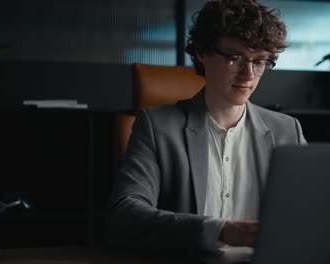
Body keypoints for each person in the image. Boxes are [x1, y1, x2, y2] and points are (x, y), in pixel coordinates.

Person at [104, 0, 307, 254]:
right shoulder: (158, 127)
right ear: (202, 52)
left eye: (259, 61)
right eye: (235, 58)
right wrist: (222, 231)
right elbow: (123, 219)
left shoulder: (287, 130)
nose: (249, 75)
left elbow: (311, 216)